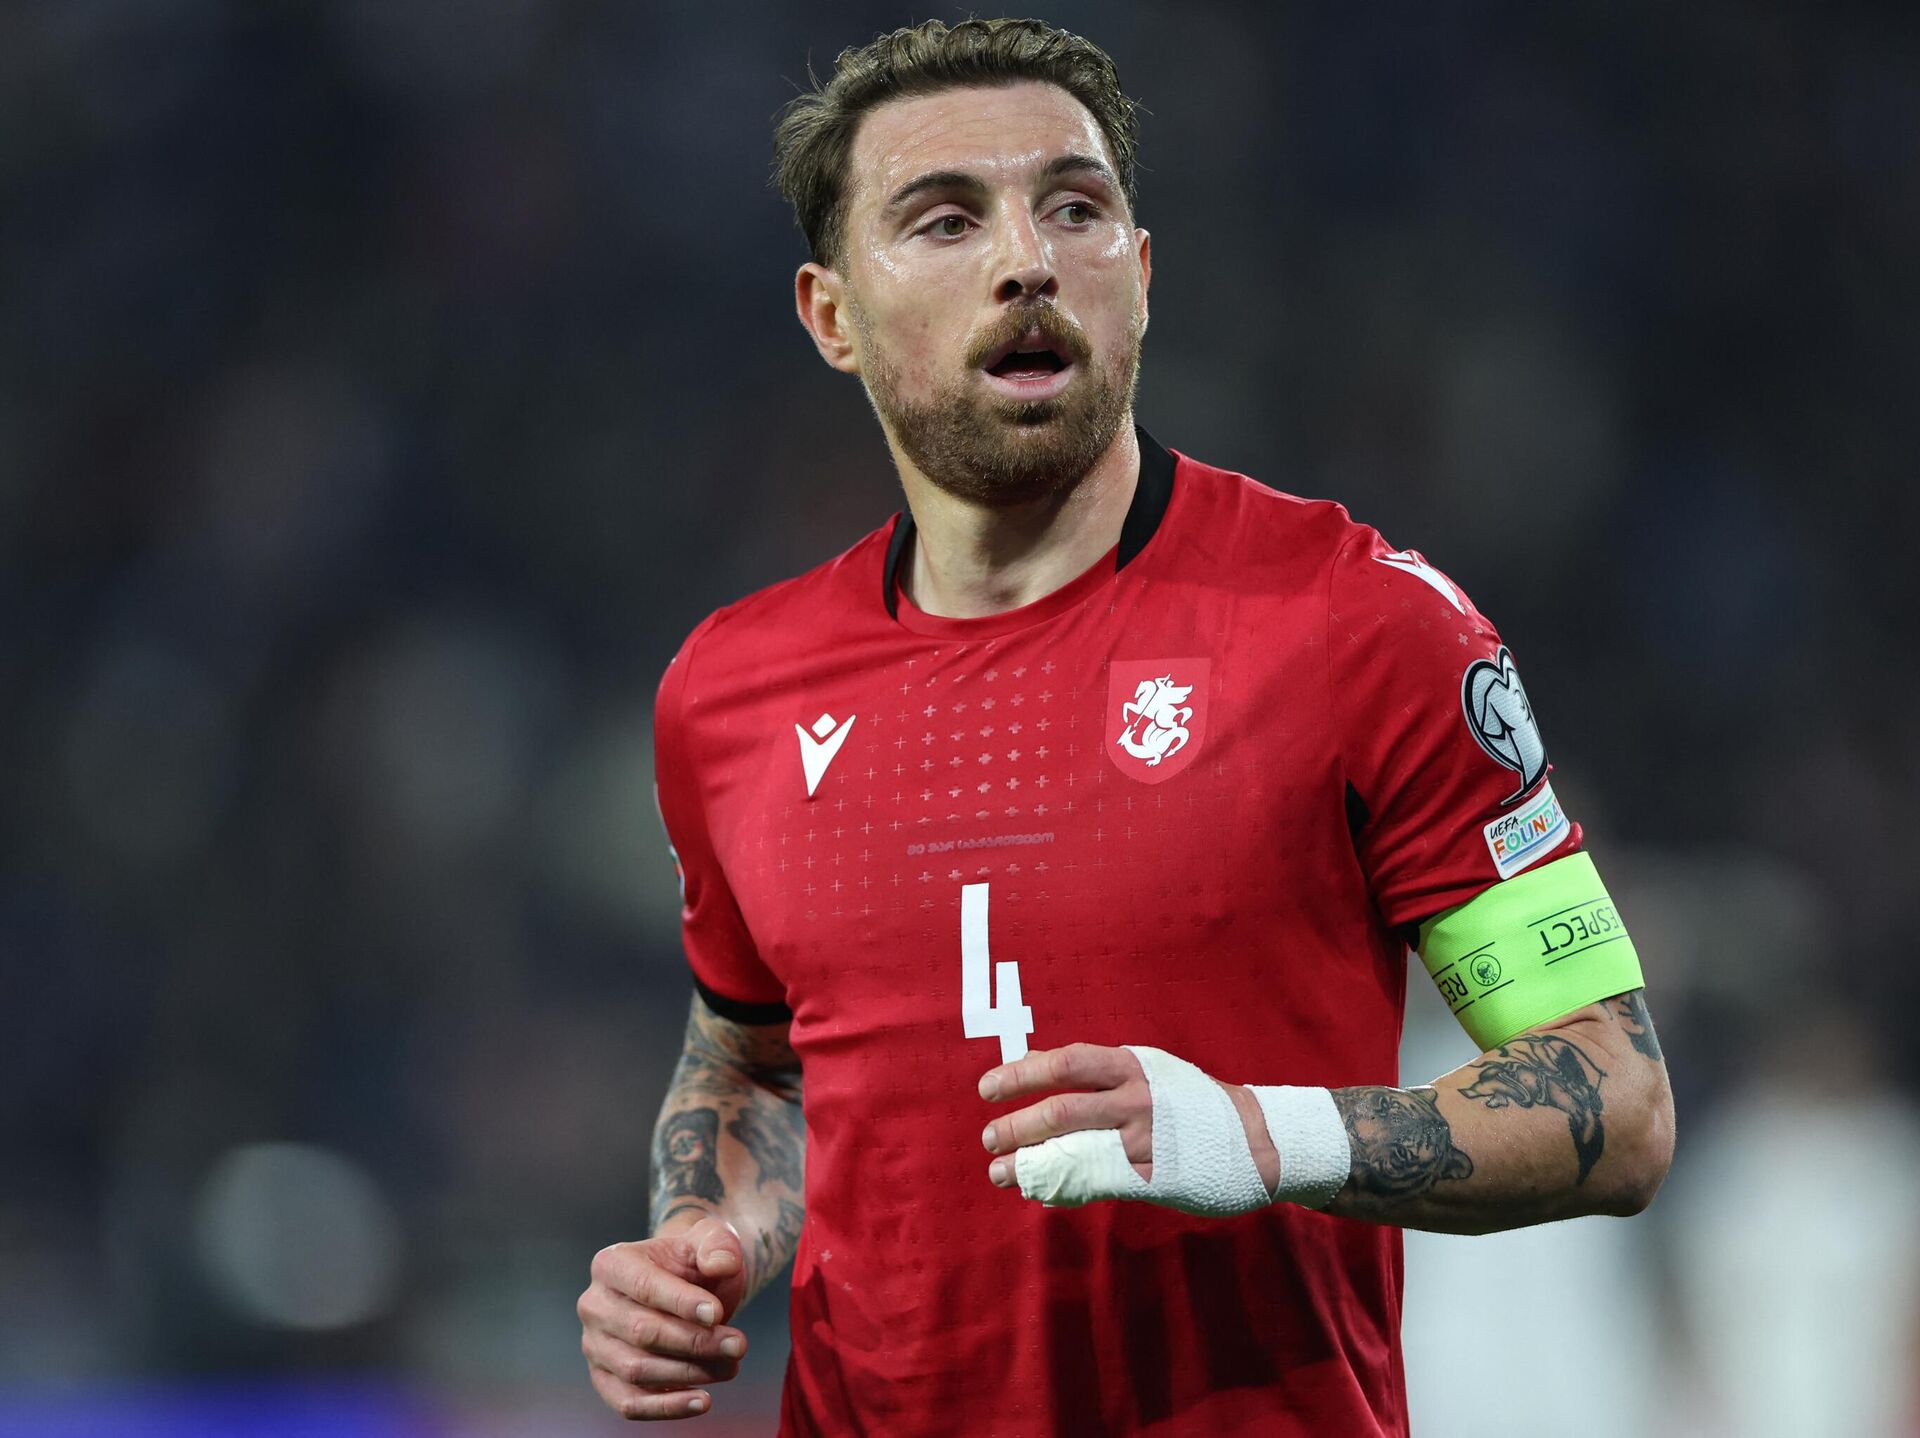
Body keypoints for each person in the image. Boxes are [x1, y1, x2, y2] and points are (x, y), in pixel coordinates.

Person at [577, 18, 1675, 1435]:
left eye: (1075, 207)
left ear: (1141, 277)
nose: (1028, 259)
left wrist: (1261, 1136)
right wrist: (699, 1242)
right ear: (830, 315)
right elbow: (750, 1057)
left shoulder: (1359, 624)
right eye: (945, 220)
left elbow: (1616, 1095)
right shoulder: (729, 693)